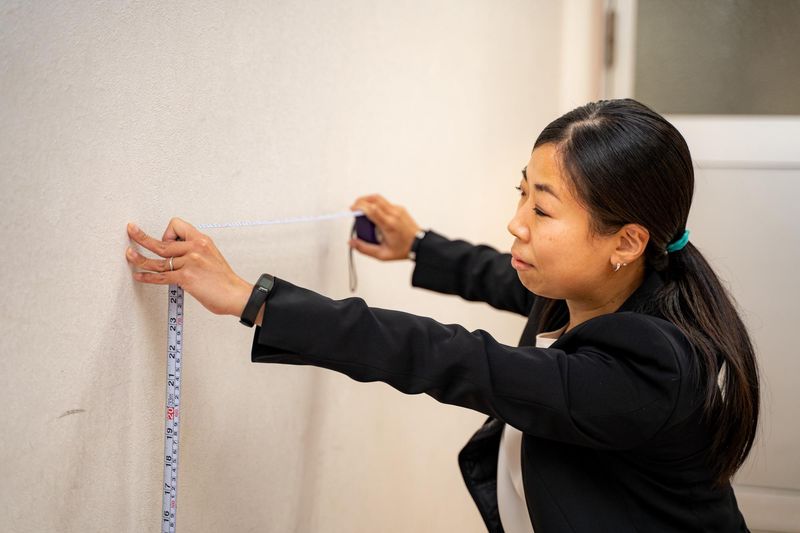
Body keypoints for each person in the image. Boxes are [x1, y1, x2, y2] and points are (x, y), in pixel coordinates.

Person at [126, 99, 759, 532]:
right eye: (522, 193)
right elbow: (498, 274)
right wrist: (418, 246)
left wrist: (253, 298)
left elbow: (449, 356)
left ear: (627, 241)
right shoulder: (599, 289)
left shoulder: (649, 369)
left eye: (543, 210)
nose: (516, 223)